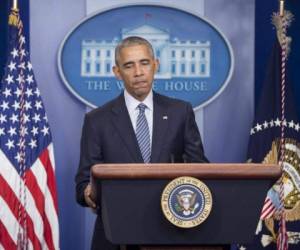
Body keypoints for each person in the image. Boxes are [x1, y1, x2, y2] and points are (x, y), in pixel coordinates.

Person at [75, 36, 209, 250]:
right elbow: (83, 184)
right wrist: (89, 193)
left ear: (155, 65)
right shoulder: (97, 120)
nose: (138, 72)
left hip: (171, 234)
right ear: (117, 72)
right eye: (129, 65)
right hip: (115, 236)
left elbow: (201, 171)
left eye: (144, 63)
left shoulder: (180, 112)